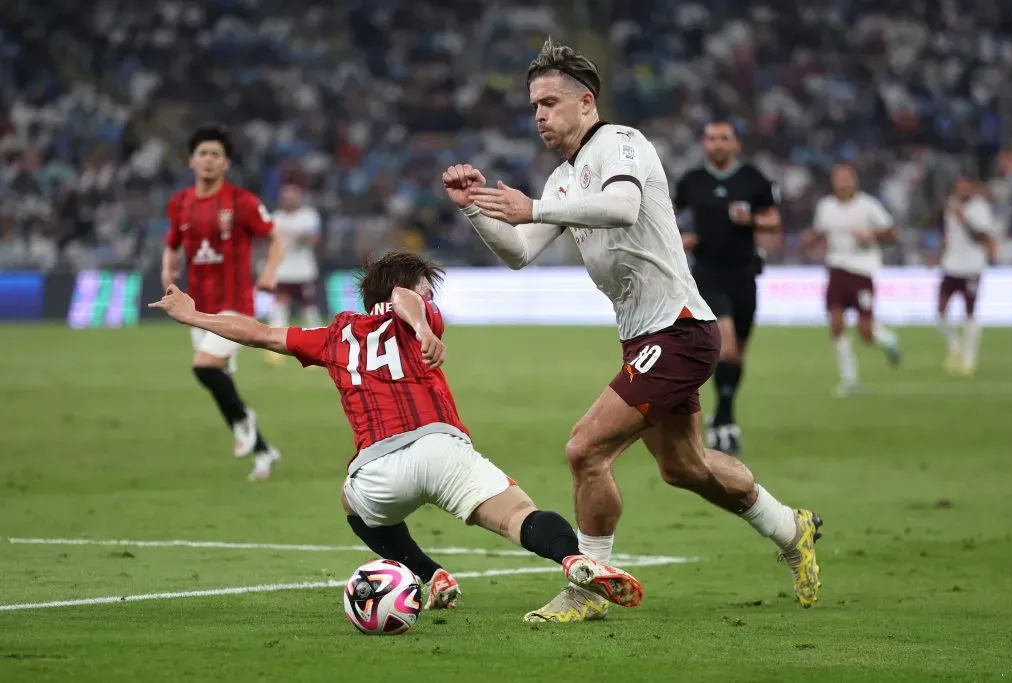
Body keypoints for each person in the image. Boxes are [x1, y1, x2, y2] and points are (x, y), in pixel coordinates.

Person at [444, 38, 822, 623]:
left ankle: (586, 590)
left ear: (586, 102)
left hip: (678, 331)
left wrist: (535, 210)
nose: (539, 115)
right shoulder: (563, 179)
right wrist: (475, 209)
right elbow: (519, 253)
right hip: (650, 336)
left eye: (548, 102)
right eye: (533, 107)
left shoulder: (621, 143)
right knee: (684, 468)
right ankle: (789, 526)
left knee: (584, 450)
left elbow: (621, 207)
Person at [149, 250, 644, 619]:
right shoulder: (415, 311)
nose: (431, 300)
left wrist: (192, 315)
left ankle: (431, 575)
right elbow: (405, 298)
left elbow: (260, 333)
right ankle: (573, 558)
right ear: (411, 293)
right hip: (440, 447)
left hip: (376, 469)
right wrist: (423, 326)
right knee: (519, 515)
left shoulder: (333, 333)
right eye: (429, 290)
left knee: (351, 504)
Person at [161, 123, 286, 481]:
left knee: (204, 367)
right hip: (196, 309)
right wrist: (167, 273)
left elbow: (275, 238)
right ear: (191, 160)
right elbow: (172, 244)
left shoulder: (242, 202)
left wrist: (270, 272)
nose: (209, 160)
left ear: (226, 163)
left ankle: (246, 421)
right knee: (221, 385)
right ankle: (264, 451)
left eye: (216, 154)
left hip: (235, 306)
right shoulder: (179, 204)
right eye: (203, 153)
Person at [674, 121, 782, 455]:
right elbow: (666, 216)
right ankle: (724, 421)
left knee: (739, 353)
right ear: (703, 144)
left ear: (735, 143)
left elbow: (774, 220)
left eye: (723, 139)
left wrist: (751, 219)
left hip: (744, 274)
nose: (717, 144)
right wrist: (680, 240)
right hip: (707, 274)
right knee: (728, 346)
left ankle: (723, 416)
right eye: (710, 139)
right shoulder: (692, 181)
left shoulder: (752, 178)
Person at [803, 164, 902, 397]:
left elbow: (893, 233)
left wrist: (871, 235)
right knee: (836, 324)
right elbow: (820, 232)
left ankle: (887, 338)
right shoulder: (826, 207)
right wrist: (811, 239)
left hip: (862, 272)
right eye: (840, 178)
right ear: (834, 182)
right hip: (836, 270)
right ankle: (849, 380)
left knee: (865, 332)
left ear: (855, 181)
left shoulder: (868, 206)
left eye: (848, 178)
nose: (844, 182)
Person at [937, 176, 997, 375]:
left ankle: (969, 357)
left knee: (969, 313)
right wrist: (941, 253)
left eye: (965, 186)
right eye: (958, 187)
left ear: (971, 188)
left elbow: (982, 237)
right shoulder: (951, 205)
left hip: (971, 267)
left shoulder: (980, 208)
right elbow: (949, 234)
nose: (961, 190)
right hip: (950, 265)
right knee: (940, 310)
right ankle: (954, 346)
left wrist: (963, 218)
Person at [264, 183, 323, 366]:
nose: (289, 200)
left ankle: (319, 348)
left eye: (292, 197)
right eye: (286, 197)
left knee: (310, 309)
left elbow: (315, 238)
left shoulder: (308, 216)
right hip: (283, 271)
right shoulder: (277, 218)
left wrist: (303, 237)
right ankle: (275, 351)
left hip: (304, 271)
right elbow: (270, 241)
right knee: (280, 308)